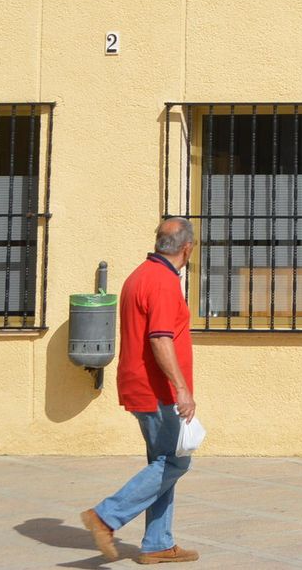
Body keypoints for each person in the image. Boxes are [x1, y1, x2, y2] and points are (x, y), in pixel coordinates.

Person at [81, 218, 200, 564]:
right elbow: (160, 338)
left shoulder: (139, 275)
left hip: (139, 383)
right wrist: (181, 388)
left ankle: (158, 542)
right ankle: (106, 516)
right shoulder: (163, 282)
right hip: (157, 389)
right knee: (176, 461)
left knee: (160, 462)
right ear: (187, 248)